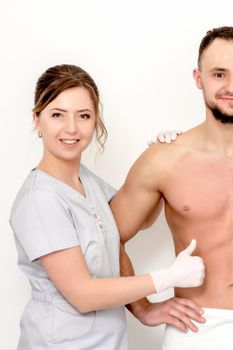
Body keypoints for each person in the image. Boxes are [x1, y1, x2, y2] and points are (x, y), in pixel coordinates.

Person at [9, 64, 205, 350]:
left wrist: (158, 162)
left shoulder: (86, 182)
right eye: (57, 115)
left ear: (95, 120)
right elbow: (83, 294)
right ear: (37, 121)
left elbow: (136, 220)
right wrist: (167, 278)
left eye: (84, 116)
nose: (72, 128)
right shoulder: (40, 200)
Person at [110, 26, 233, 349]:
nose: (230, 86)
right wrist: (143, 307)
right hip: (198, 327)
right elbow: (106, 236)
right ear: (198, 78)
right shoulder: (165, 160)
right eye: (220, 74)